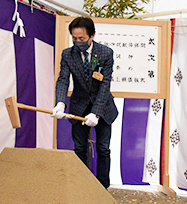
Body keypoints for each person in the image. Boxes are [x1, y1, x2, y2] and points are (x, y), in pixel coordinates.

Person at [51, 17, 118, 189]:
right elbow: (63, 80)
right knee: (80, 147)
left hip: (102, 105)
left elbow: (105, 86)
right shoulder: (68, 54)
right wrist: (60, 102)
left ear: (92, 36)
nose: (77, 42)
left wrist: (96, 113)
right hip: (79, 104)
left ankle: (103, 187)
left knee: (103, 148)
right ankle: (82, 186)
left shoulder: (105, 53)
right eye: (74, 38)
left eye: (81, 39)